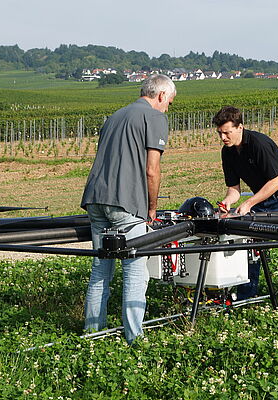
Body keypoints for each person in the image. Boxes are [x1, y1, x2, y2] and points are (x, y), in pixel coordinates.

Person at [80, 74, 176, 344]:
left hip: (96, 199)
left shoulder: (115, 116)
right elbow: (151, 170)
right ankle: (134, 339)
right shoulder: (154, 117)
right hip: (126, 202)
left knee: (101, 270)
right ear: (161, 95)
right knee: (135, 271)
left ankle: (92, 333)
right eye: (169, 102)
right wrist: (152, 208)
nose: (167, 108)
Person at [213, 106, 278, 312]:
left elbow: (276, 181)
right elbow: (234, 189)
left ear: (240, 127)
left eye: (227, 132)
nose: (223, 138)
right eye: (220, 133)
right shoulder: (227, 152)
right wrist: (228, 202)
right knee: (250, 247)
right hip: (261, 199)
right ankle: (247, 296)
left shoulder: (258, 144)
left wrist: (249, 203)